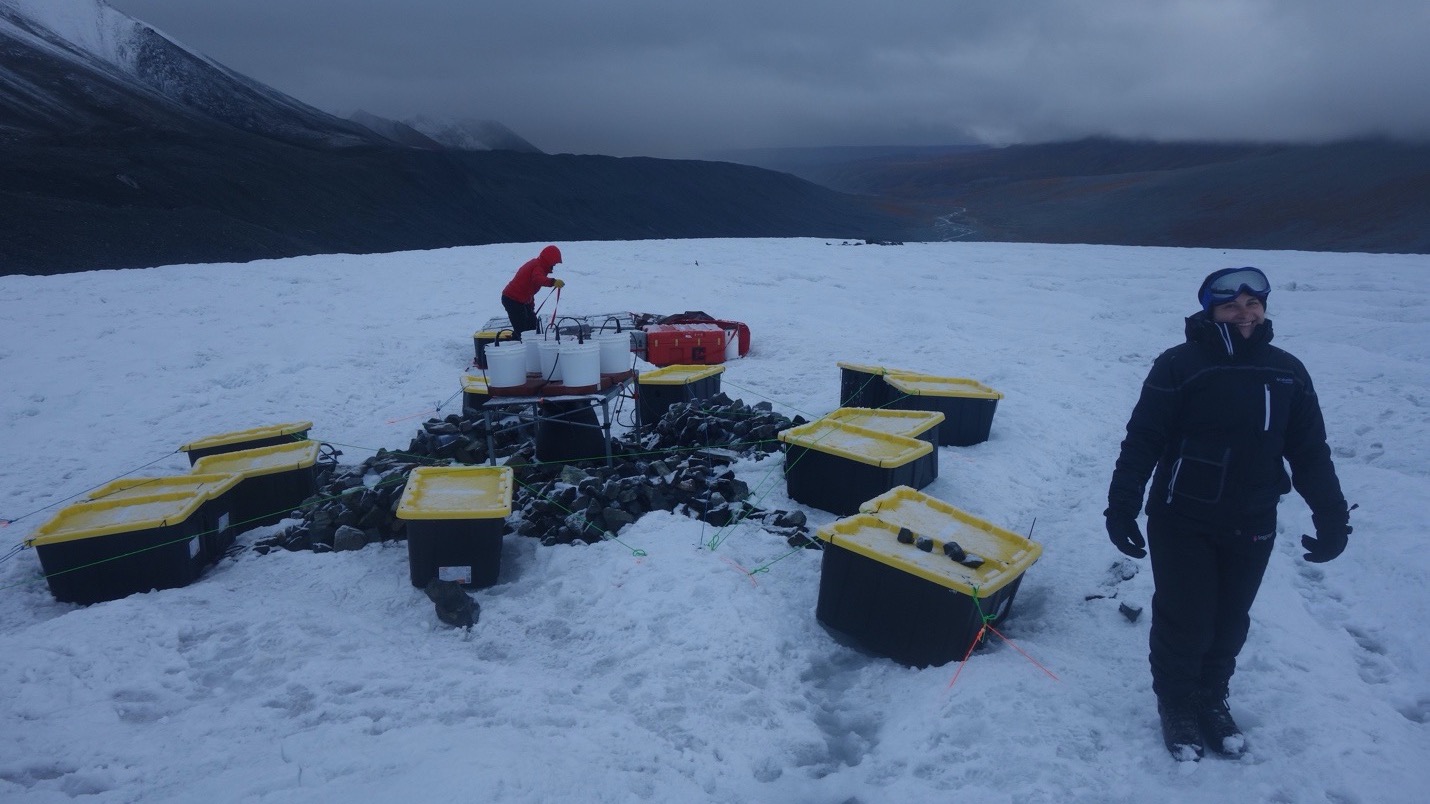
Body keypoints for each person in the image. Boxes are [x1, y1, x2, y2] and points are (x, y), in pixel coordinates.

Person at [1105, 266, 1352, 761]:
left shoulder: (1287, 371)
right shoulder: (1178, 365)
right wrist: (1123, 506)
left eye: (1252, 304)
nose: (1244, 312)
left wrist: (1331, 516)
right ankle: (1176, 703)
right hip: (1182, 518)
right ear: (1210, 311)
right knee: (1186, 619)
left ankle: (1210, 698)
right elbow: (1143, 439)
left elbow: (1309, 452)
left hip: (1253, 518)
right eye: (1231, 305)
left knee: (1230, 620)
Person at [501, 245, 565, 335]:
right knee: (522, 332)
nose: (554, 265)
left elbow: (529, 290)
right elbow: (538, 279)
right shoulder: (538, 267)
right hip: (512, 300)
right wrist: (553, 282)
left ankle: (529, 344)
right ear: (549, 259)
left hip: (521, 301)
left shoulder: (538, 265)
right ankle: (516, 345)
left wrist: (530, 307)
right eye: (554, 262)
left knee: (532, 326)